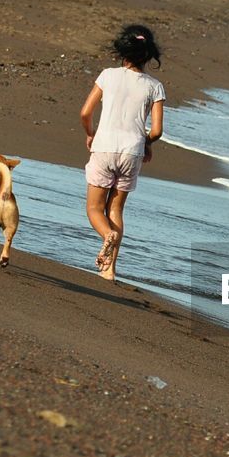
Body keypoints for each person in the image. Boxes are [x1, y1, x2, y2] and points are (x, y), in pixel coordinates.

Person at [79, 24, 165, 281]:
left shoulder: (107, 75)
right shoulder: (155, 86)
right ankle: (110, 269)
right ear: (148, 54)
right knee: (115, 209)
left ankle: (107, 236)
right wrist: (146, 143)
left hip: (104, 146)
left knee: (94, 209)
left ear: (122, 51)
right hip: (132, 152)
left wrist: (90, 133)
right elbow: (158, 130)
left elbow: (85, 112)